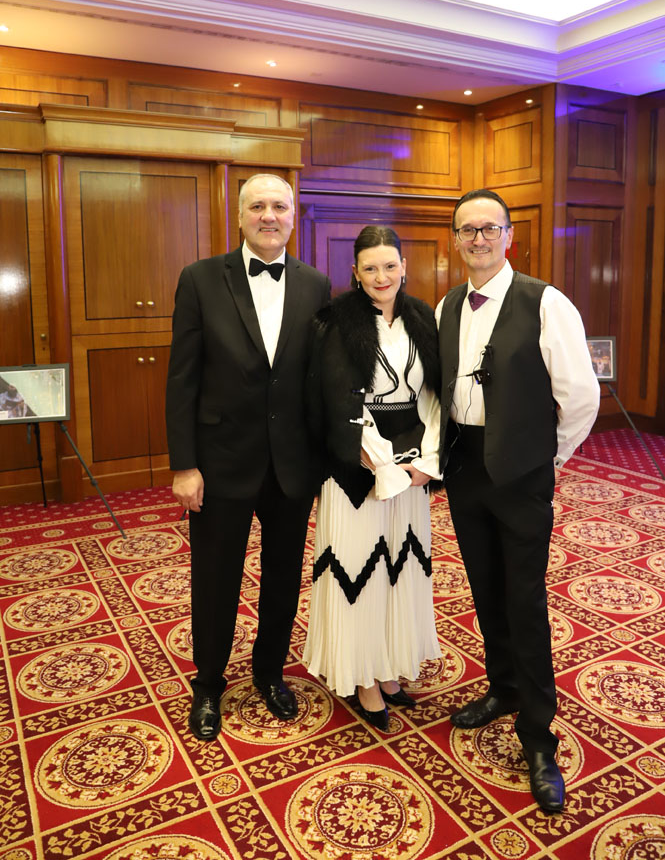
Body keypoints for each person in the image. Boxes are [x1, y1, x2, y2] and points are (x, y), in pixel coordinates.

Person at [437, 189, 600, 812]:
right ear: (456, 240)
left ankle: (538, 737)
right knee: (485, 590)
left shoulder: (546, 302)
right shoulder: (448, 305)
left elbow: (580, 395)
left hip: (523, 473)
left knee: (525, 602)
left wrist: (548, 457)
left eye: (489, 228)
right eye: (467, 230)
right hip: (465, 468)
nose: (477, 239)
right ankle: (502, 688)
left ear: (508, 236)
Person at [166, 173, 330, 740]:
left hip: (292, 465)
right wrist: (184, 465)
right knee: (215, 579)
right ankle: (208, 683)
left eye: (279, 206)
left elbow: (318, 379)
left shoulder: (316, 284)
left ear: (293, 216)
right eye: (257, 206)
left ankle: (269, 672)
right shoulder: (200, 278)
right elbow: (182, 379)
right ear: (239, 217)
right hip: (220, 461)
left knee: (283, 578)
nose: (269, 215)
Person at [304, 225, 442, 731]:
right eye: (370, 268)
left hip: (412, 467)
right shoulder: (336, 322)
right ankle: (362, 676)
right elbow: (334, 399)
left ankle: (388, 668)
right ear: (355, 273)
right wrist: (379, 463)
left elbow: (436, 395)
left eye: (389, 265)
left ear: (404, 266)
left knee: (400, 569)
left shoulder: (423, 317)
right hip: (356, 465)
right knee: (359, 569)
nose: (381, 276)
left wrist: (426, 463)